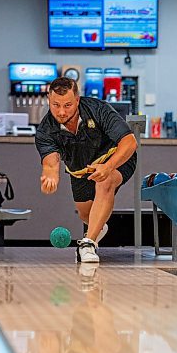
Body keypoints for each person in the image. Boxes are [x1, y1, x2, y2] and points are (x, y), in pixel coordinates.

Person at [35, 77, 137, 263]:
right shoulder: (45, 131)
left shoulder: (98, 109)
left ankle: (88, 244)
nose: (61, 111)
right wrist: (50, 175)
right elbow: (51, 162)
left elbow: (129, 142)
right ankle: (97, 228)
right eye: (56, 105)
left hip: (115, 159)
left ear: (77, 100)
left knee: (105, 182)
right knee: (85, 214)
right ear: (48, 101)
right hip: (80, 170)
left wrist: (108, 166)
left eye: (67, 105)